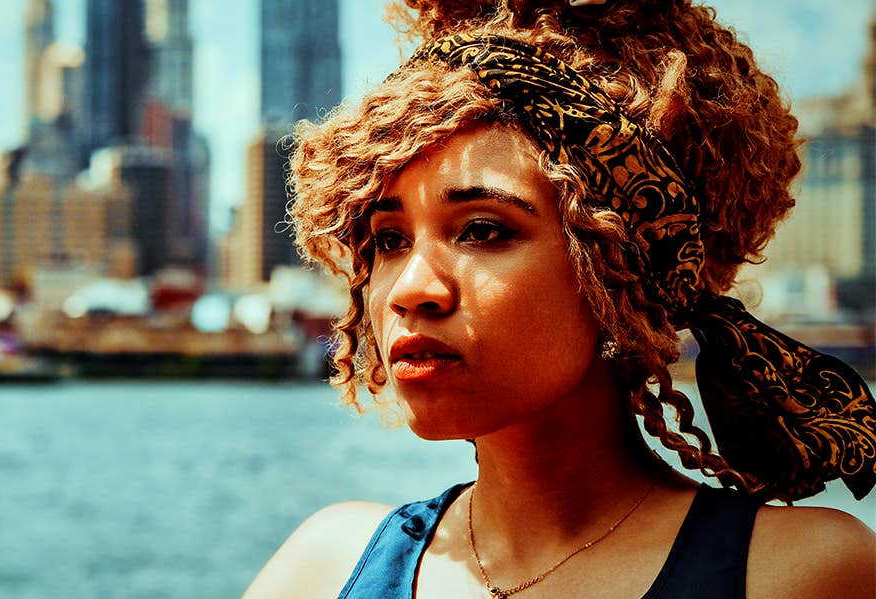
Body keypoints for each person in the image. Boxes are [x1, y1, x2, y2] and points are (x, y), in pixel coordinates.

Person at [243, 1, 876, 597]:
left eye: (483, 231)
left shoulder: (797, 573)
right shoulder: (325, 566)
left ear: (621, 269)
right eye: (388, 240)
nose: (411, 289)